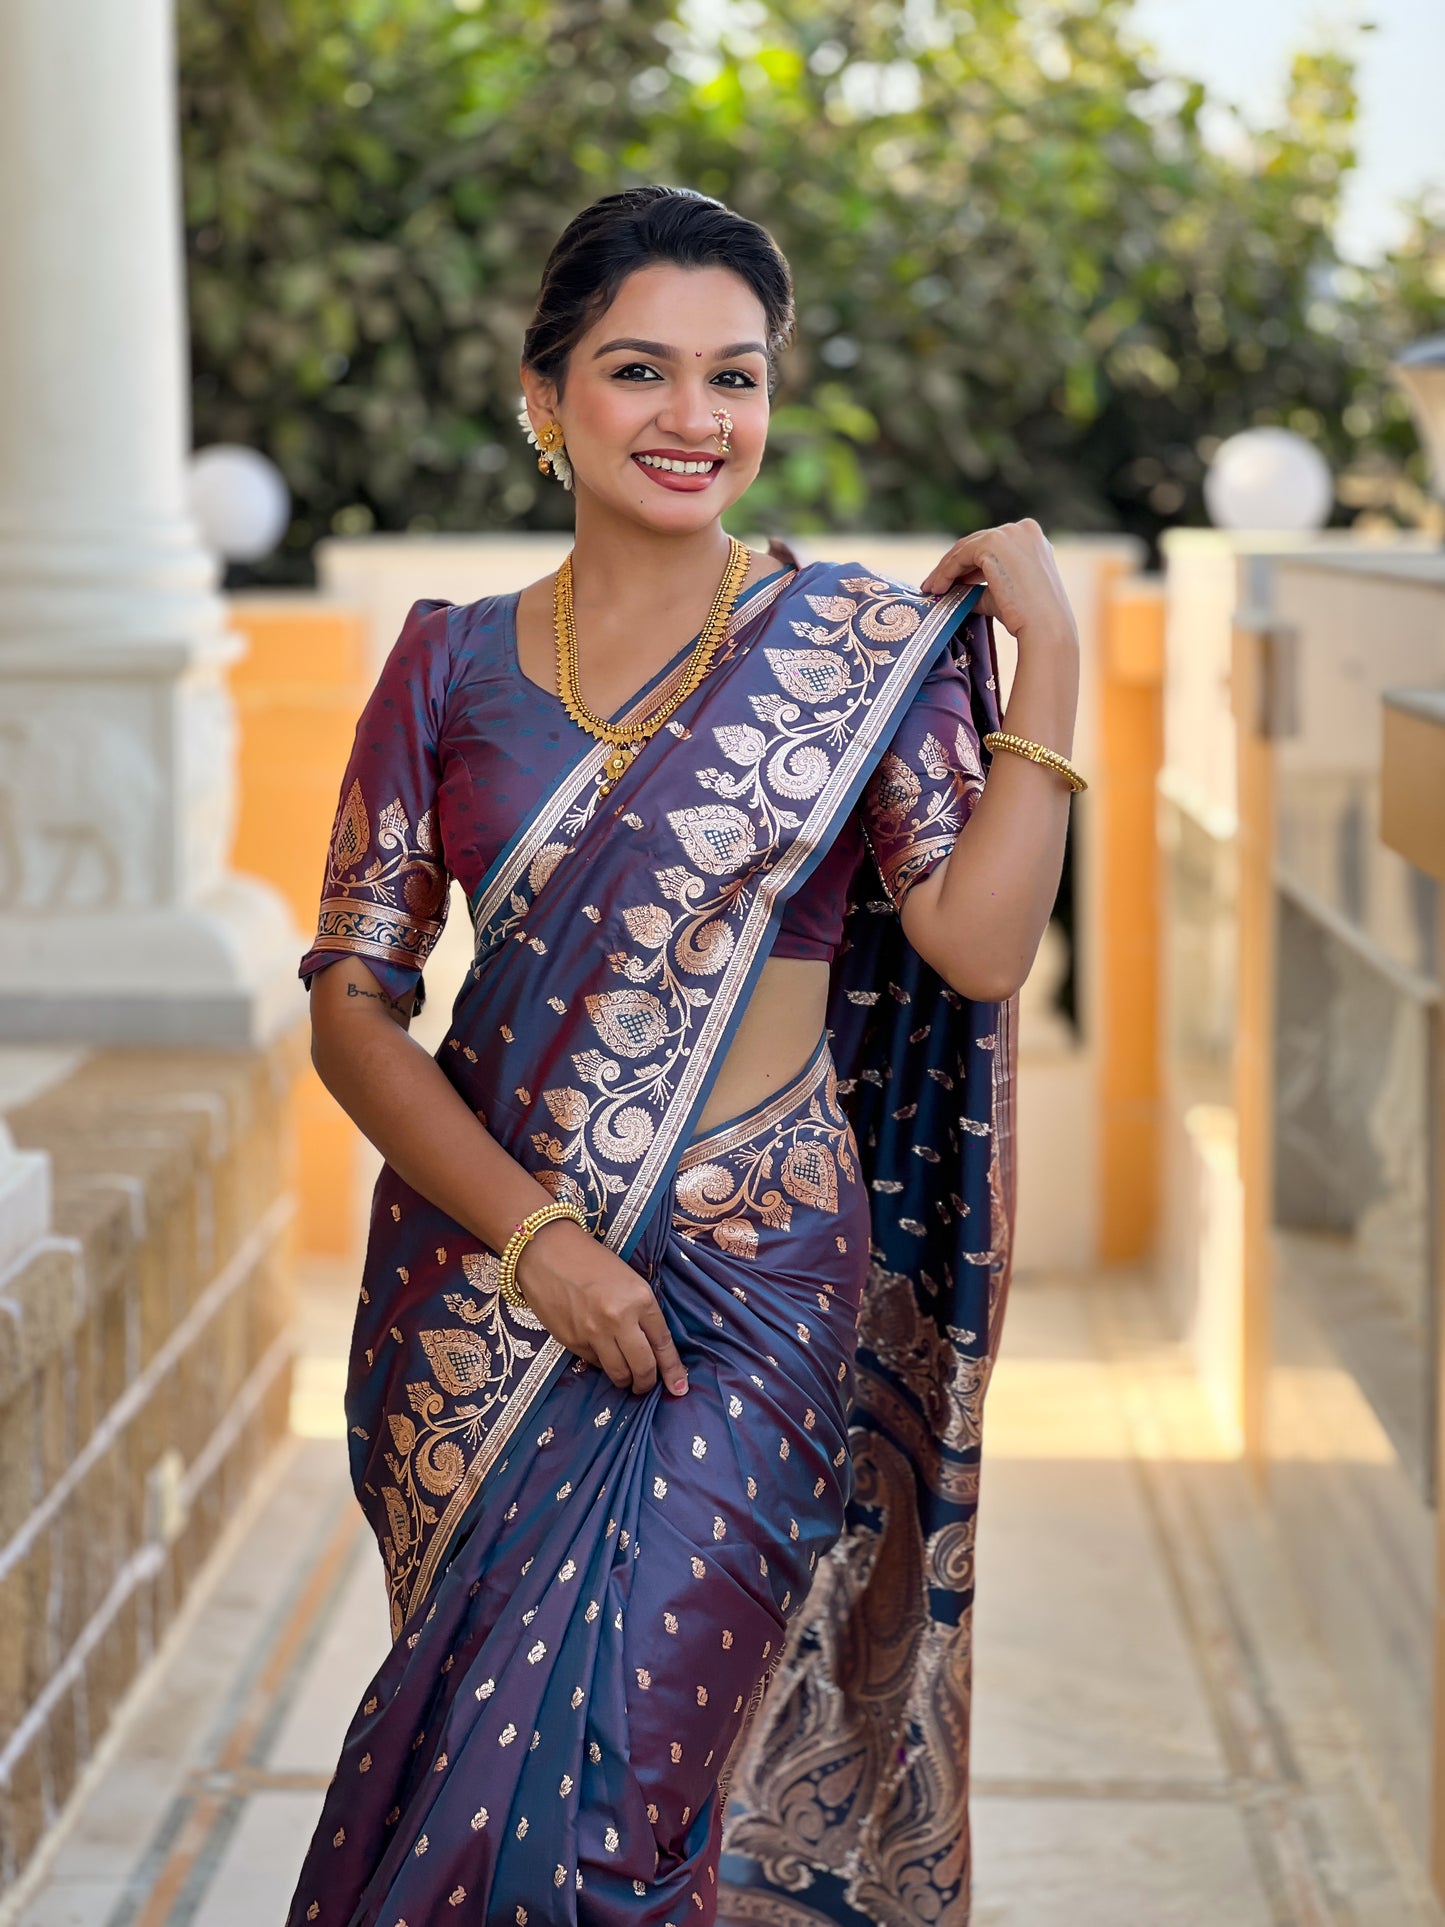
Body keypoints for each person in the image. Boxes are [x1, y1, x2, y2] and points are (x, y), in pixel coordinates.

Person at [287, 185, 1082, 1927]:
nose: (693, 419)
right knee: (472, 1785)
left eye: (735, 378)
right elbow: (354, 1004)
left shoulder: (858, 657)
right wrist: (538, 1241)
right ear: (544, 392)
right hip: (491, 1299)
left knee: (607, 1796)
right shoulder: (445, 666)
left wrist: (1056, 663)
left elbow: (979, 942)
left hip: (757, 1292)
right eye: (639, 371)